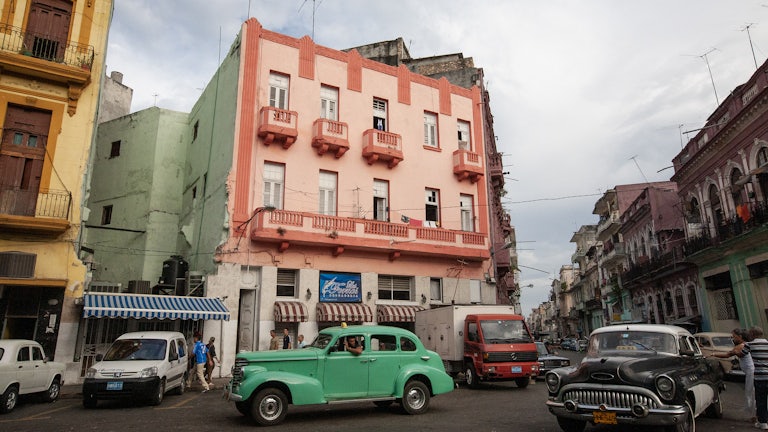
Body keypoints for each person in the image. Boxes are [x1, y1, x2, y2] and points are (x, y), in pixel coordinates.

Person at [715, 328, 754, 422]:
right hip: (751, 371)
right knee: (752, 393)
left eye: (734, 337)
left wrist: (713, 354)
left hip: (750, 372)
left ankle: (756, 415)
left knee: (751, 393)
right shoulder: (747, 345)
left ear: (740, 337)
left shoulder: (741, 346)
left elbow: (727, 355)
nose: (733, 339)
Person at [746, 326, 768, 429]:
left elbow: (742, 354)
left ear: (753, 334)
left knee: (761, 400)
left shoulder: (749, 344)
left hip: (760, 377)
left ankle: (763, 422)